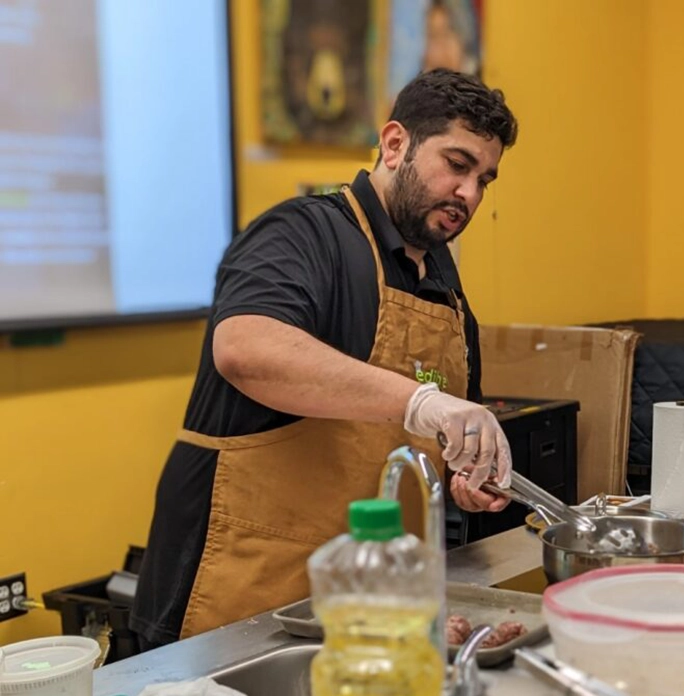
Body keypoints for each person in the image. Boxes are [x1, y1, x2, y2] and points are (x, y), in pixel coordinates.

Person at [131, 69, 519, 648]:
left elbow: (422, 433)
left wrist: (459, 471)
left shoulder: (441, 281)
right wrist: (422, 402)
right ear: (395, 145)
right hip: (245, 604)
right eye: (456, 165)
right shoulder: (302, 233)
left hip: (368, 608)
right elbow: (246, 348)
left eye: (484, 178)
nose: (470, 193)